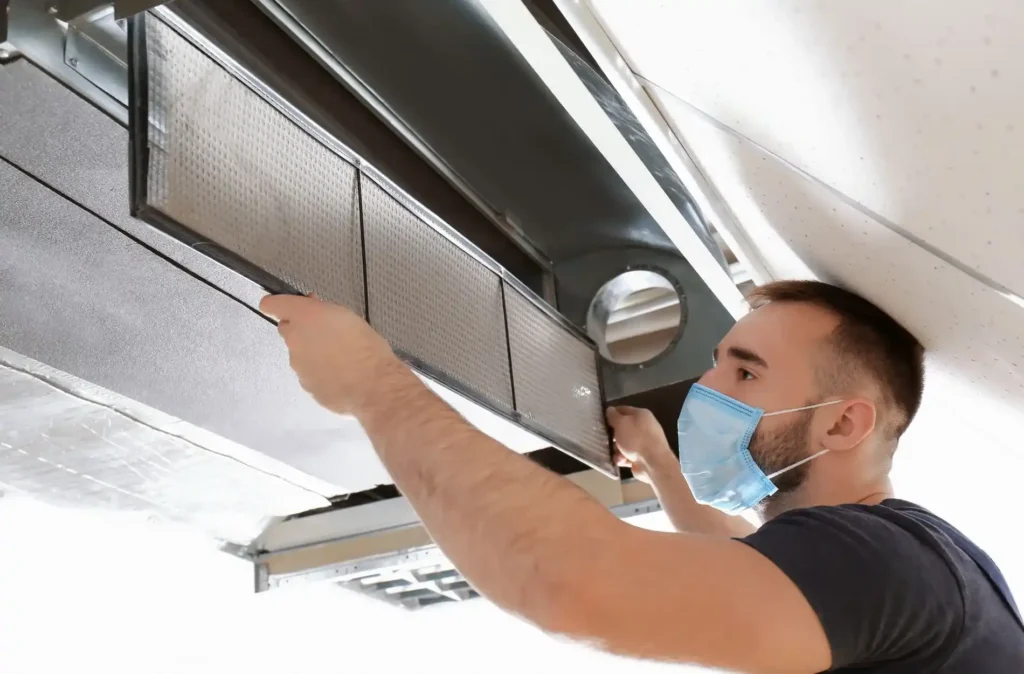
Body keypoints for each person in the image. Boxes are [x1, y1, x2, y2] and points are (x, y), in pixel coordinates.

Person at [260, 280, 1023, 673]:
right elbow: (735, 558)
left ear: (842, 423)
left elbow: (567, 579)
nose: (705, 389)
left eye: (746, 372)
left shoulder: (884, 563)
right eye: (717, 363)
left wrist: (372, 385)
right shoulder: (907, 560)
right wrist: (662, 465)